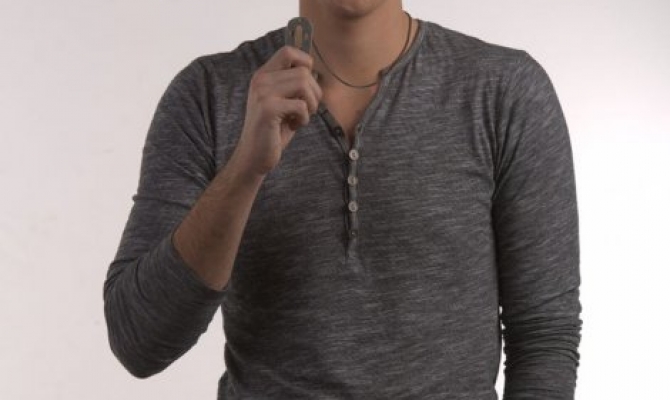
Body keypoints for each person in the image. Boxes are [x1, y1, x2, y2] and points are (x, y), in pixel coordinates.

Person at [103, 0, 583, 399]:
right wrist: (244, 170)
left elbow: (544, 336)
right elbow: (138, 340)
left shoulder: (503, 92)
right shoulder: (209, 96)